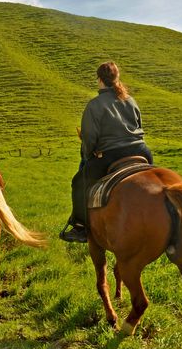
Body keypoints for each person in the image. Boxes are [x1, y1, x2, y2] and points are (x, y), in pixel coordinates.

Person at [60, 61, 153, 243]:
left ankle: (80, 227)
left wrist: (88, 155)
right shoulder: (131, 100)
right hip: (142, 151)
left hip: (111, 154)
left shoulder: (95, 105)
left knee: (79, 182)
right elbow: (139, 126)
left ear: (99, 80)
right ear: (117, 78)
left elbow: (89, 139)